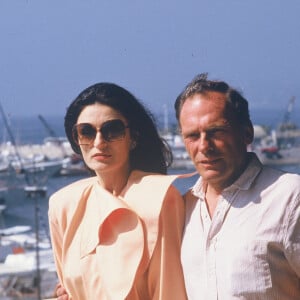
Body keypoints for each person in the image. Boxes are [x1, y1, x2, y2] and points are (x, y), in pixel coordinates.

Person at [48, 82, 188, 300]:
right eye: (86, 132)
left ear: (133, 138)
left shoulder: (160, 198)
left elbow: (168, 291)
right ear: (76, 140)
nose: (99, 142)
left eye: (112, 130)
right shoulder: (64, 204)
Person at [175, 73, 300, 299]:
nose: (204, 146)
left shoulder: (290, 197)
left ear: (247, 132)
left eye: (216, 132)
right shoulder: (182, 209)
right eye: (193, 135)